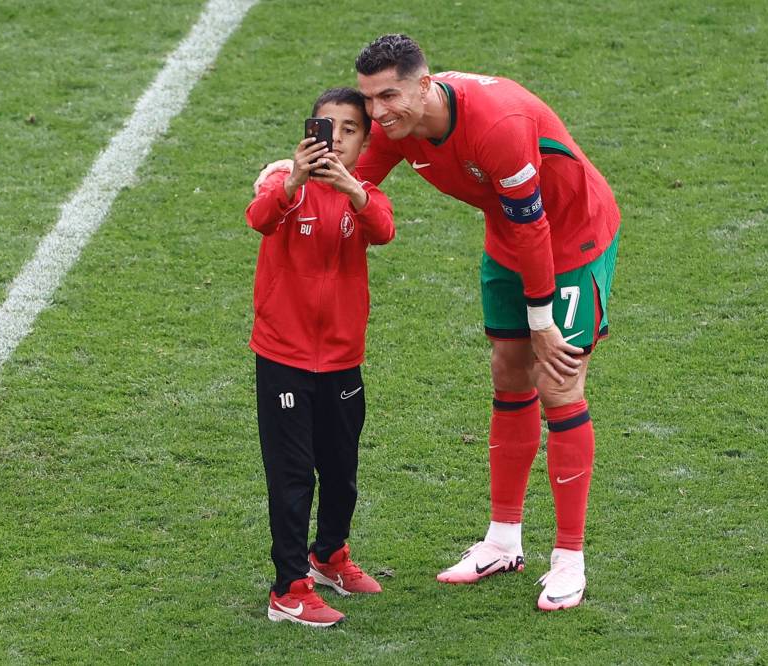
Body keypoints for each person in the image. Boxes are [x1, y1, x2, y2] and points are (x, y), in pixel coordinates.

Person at [256, 34, 620, 612]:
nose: (377, 114)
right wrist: (288, 173)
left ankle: (569, 560)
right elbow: (359, 181)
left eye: (390, 97)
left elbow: (536, 226)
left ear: (427, 86)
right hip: (508, 238)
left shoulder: (497, 125)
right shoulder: (403, 128)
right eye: (370, 100)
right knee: (508, 372)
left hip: (570, 236)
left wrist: (542, 319)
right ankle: (503, 541)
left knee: (559, 381)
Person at [246, 87, 396, 627]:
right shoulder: (281, 180)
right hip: (283, 357)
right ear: (310, 132)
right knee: (292, 477)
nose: (337, 138)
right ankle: (288, 588)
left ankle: (329, 556)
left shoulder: (366, 191)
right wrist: (293, 181)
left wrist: (352, 189)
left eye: (350, 129)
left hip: (341, 360)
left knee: (340, 468)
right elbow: (259, 218)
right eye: (327, 127)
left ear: (363, 142)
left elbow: (383, 228)